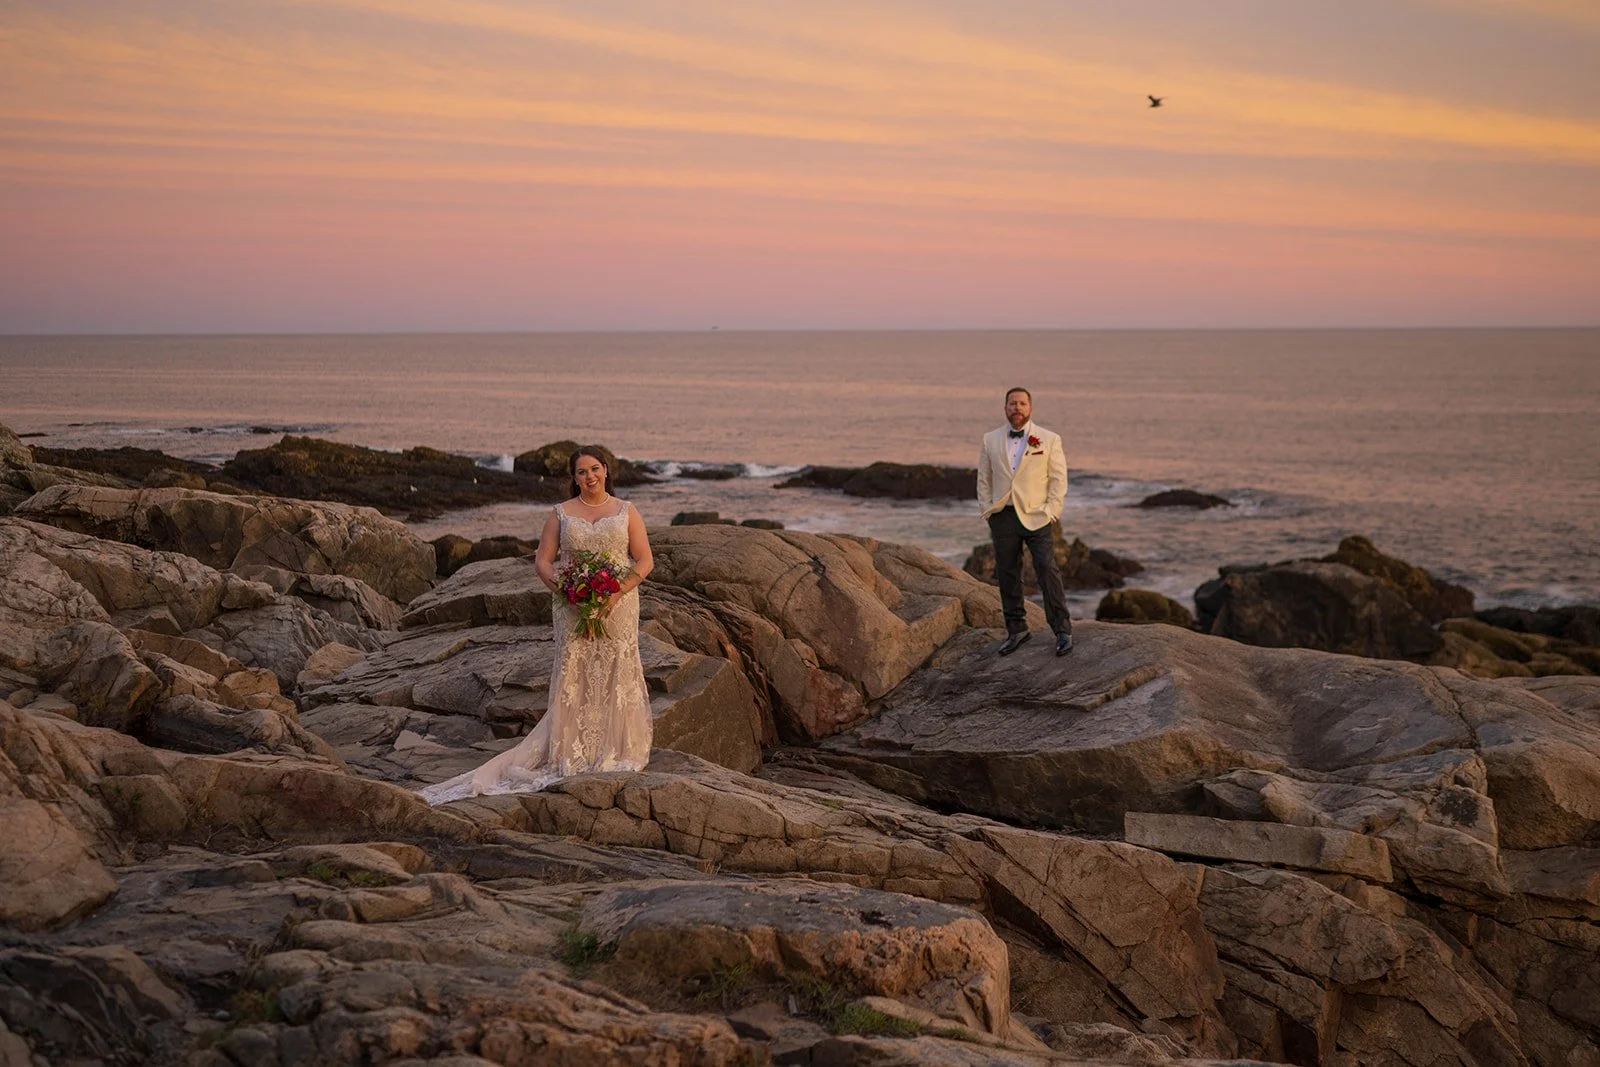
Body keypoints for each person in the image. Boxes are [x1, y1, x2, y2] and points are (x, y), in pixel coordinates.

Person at [419, 445, 654, 804]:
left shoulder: (626, 512)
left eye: (594, 469)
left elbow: (644, 560)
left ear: (606, 471)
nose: (588, 477)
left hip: (617, 607)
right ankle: (571, 750)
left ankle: (614, 746)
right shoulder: (561, 514)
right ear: (573, 478)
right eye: (581, 472)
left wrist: (616, 593)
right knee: (575, 671)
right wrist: (566, 590)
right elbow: (543, 561)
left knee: (615, 669)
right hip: (571, 606)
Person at [976, 387, 1073, 656]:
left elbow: (1058, 479)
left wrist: (1052, 510)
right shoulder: (990, 440)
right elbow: (984, 479)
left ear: (1030, 408)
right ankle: (1017, 630)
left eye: (1021, 403)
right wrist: (987, 510)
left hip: (1037, 515)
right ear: (1005, 408)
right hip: (1003, 516)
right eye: (1011, 403)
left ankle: (1062, 630)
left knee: (1046, 570)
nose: (1016, 408)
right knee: (1007, 574)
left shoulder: (1049, 439)